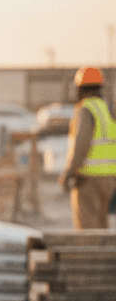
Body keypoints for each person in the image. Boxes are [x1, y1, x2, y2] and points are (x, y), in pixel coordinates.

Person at [58, 66, 116, 229]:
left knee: (87, 228)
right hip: (109, 178)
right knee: (101, 226)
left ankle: (91, 256)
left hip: (88, 178)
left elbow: (80, 146)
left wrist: (67, 173)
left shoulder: (86, 109)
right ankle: (103, 256)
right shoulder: (108, 109)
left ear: (80, 88)